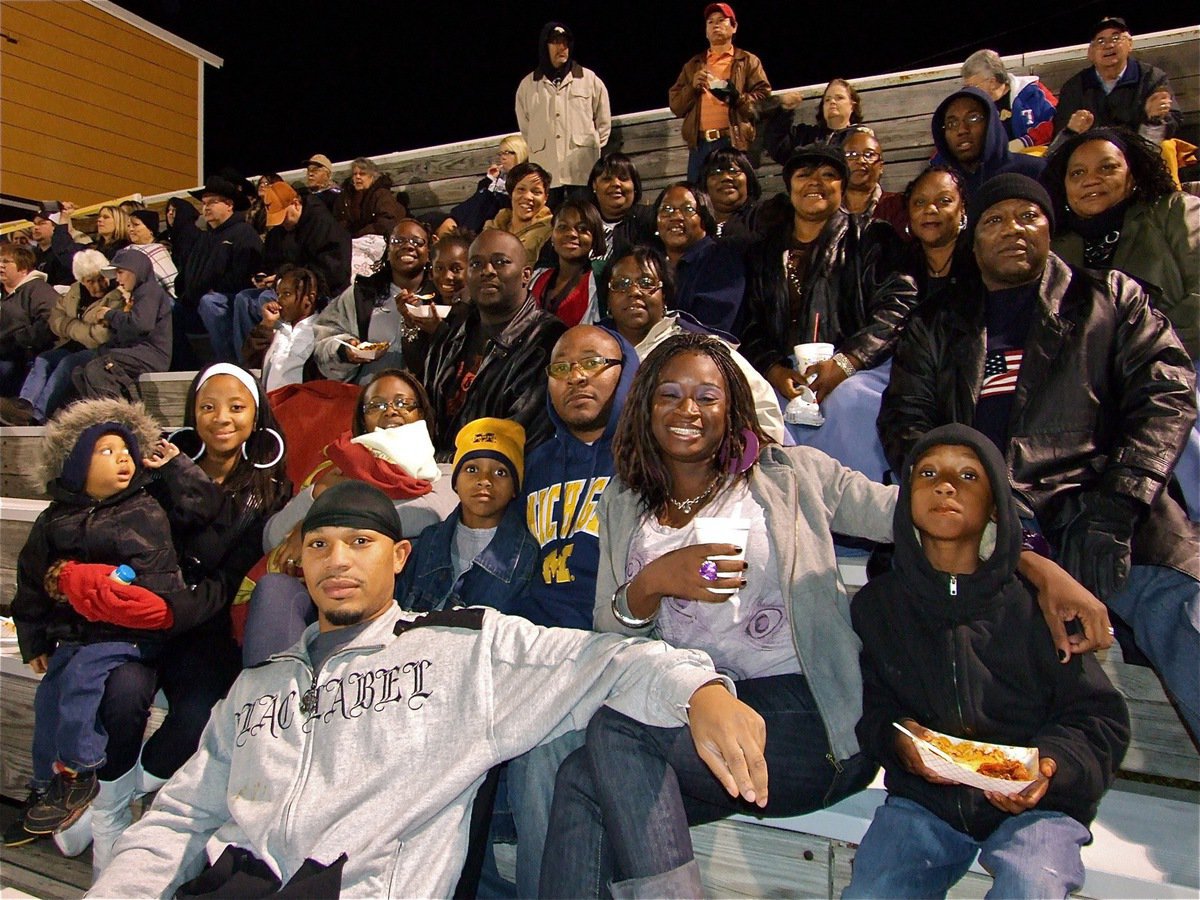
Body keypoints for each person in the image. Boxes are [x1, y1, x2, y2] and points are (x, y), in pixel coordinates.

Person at [541, 332, 1114, 897]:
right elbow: (612, 634)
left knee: (616, 735)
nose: (687, 408)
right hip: (693, 713)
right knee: (582, 781)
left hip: (807, 716)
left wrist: (1040, 568)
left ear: (731, 406)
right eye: (669, 394)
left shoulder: (792, 475)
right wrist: (652, 583)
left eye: (707, 396)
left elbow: (922, 508)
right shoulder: (622, 499)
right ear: (645, 405)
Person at [89, 479, 768, 899]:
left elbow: (603, 661)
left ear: (401, 556)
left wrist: (699, 690)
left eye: (360, 542)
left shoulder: (460, 651)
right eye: (321, 546)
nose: (338, 562)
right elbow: (180, 818)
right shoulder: (257, 686)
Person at [878, 173, 1200, 737]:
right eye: (995, 220)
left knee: (1180, 606)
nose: (1013, 230)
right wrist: (986, 513)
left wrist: (1118, 507)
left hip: (1103, 510)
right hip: (989, 516)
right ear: (973, 239)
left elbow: (1166, 394)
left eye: (1029, 216)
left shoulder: (1111, 299)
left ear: (1052, 228)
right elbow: (908, 423)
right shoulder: (937, 320)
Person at [845, 424, 1130, 899]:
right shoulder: (879, 608)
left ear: (996, 505)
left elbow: (1099, 718)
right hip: (926, 803)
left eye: (969, 477)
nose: (946, 486)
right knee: (873, 892)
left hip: (1038, 808)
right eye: (929, 473)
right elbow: (871, 709)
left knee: (1030, 884)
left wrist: (1051, 765)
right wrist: (902, 741)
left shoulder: (1034, 606)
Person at [89, 364, 292, 871]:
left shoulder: (270, 488)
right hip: (144, 615)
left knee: (201, 713)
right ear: (192, 412)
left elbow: (224, 555)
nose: (221, 418)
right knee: (123, 691)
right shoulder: (155, 470)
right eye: (207, 406)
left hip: (203, 619)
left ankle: (117, 794)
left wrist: (176, 611)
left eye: (236, 407)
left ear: (256, 416)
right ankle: (108, 819)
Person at [5, 400, 197, 846]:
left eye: (125, 451)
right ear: (74, 467)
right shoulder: (54, 520)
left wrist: (113, 592)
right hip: (74, 636)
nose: (122, 458)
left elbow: (158, 583)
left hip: (125, 637)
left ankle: (78, 769)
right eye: (106, 452)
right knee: (50, 694)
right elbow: (31, 582)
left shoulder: (143, 512)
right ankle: (44, 781)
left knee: (81, 682)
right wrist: (34, 639)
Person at [242, 368, 457, 666]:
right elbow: (272, 537)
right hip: (325, 599)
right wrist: (317, 493)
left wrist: (319, 524)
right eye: (377, 405)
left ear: (423, 415)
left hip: (403, 603)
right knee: (275, 590)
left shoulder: (444, 473)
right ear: (361, 421)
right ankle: (271, 703)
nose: (391, 410)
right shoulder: (336, 469)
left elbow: (429, 515)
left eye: (403, 403)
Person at [1043, 127, 1200, 520]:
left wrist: (1144, 351)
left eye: (1106, 168)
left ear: (1132, 174)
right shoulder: (1054, 249)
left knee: (1170, 413)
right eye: (1076, 173)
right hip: (1092, 383)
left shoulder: (1173, 211)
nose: (1090, 179)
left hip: (1184, 359)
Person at [740, 145, 917, 482]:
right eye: (804, 174)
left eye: (828, 175)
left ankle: (861, 524)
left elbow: (898, 304)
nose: (815, 183)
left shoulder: (872, 236)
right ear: (789, 185)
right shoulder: (765, 250)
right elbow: (751, 323)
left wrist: (847, 362)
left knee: (846, 402)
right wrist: (773, 369)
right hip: (786, 374)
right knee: (756, 406)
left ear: (843, 185)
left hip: (863, 367)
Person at [602, 246, 785, 442]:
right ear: (608, 300)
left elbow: (763, 412)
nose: (634, 292)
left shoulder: (704, 349)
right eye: (621, 284)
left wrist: (744, 464)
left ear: (664, 296)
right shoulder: (589, 350)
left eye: (647, 282)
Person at [425, 229, 567, 457]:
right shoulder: (452, 334)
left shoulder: (549, 340)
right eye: (476, 264)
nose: (487, 271)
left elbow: (521, 437)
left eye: (500, 262)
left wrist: (448, 463)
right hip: (436, 474)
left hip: (499, 477)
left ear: (526, 275)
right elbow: (428, 413)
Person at [396, 417, 539, 613]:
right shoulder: (427, 542)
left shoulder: (527, 557)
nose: (485, 480)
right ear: (455, 482)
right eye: (471, 469)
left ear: (515, 488)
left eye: (501, 472)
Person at [229, 180, 352, 357]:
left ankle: (282, 356)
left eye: (284, 216)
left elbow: (331, 271)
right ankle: (248, 359)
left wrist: (282, 277)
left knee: (266, 299)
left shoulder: (324, 225)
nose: (282, 223)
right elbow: (270, 261)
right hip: (281, 287)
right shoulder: (279, 231)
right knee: (243, 299)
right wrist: (263, 276)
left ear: (295, 203)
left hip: (318, 291)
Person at [1, 250, 120, 426]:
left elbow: (101, 335)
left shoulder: (115, 295)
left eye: (101, 279)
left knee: (67, 363)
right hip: (73, 345)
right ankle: (25, 405)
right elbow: (56, 319)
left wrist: (70, 325)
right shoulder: (74, 292)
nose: (98, 286)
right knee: (44, 359)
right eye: (90, 281)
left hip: (102, 350)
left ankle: (38, 415)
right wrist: (78, 326)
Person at [312, 218, 436, 381]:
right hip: (366, 395)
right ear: (388, 251)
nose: (408, 246)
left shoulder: (439, 298)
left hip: (419, 399)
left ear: (428, 253)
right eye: (398, 241)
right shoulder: (362, 294)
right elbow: (324, 338)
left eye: (418, 242)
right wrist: (345, 351)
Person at [669, 3, 771, 183]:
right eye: (710, 22)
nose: (715, 25)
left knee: (735, 196)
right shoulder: (693, 65)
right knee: (698, 198)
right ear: (706, 31)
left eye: (721, 21)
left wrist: (737, 98)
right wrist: (692, 88)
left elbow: (764, 98)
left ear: (734, 27)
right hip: (700, 146)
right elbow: (676, 105)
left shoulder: (747, 61)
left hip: (732, 142)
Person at [515, 22, 611, 204]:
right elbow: (526, 127)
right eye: (555, 42)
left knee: (585, 217)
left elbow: (603, 121)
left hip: (582, 170)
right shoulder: (528, 86)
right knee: (550, 221)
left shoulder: (588, 79)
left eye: (565, 43)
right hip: (546, 171)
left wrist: (594, 145)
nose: (562, 48)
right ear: (545, 46)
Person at [1052, 16, 1181, 147]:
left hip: (1139, 151)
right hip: (1093, 156)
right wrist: (1072, 131)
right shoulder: (1074, 87)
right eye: (1101, 41)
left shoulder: (1152, 78)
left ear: (1129, 44)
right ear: (1090, 53)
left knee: (1166, 148)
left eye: (1115, 38)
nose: (1109, 45)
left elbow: (1172, 123)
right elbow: (1060, 137)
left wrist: (1154, 119)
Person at [70, 247, 173, 403]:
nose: (117, 280)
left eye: (120, 273)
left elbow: (141, 325)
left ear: (135, 271)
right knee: (79, 371)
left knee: (98, 368)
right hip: (136, 352)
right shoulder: (139, 293)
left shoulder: (149, 292)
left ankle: (117, 414)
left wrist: (109, 314)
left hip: (151, 355)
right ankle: (97, 414)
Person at [184, 176, 263, 366]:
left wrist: (212, 289)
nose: (206, 208)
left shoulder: (243, 233)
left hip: (231, 300)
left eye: (213, 202)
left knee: (211, 303)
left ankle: (230, 364)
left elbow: (244, 274)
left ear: (229, 205)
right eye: (203, 203)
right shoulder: (204, 238)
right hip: (198, 298)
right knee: (172, 308)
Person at [654, 182, 746, 335]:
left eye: (688, 209)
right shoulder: (652, 264)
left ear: (705, 217)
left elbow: (710, 329)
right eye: (667, 209)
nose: (676, 216)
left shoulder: (721, 259)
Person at [930, 87, 1045, 196]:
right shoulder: (940, 186)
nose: (961, 130)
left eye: (973, 118)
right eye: (952, 124)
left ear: (991, 122)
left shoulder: (1034, 171)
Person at [900, 165, 976, 305]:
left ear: (962, 208)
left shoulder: (981, 259)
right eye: (920, 202)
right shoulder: (897, 265)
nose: (930, 209)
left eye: (944, 201)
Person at [240, 266, 322, 391]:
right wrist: (266, 324)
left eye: (287, 294)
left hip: (302, 404)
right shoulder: (276, 329)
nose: (280, 300)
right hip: (272, 404)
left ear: (309, 298)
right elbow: (249, 359)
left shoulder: (322, 331)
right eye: (278, 294)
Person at [961, 49, 1058, 150]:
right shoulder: (974, 107)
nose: (970, 92)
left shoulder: (1033, 92)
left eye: (973, 87)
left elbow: (1057, 122)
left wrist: (1025, 142)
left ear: (992, 83)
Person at [530, 198, 606, 326]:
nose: (571, 234)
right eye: (562, 227)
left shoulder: (600, 280)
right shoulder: (537, 277)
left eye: (582, 229)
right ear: (552, 236)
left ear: (594, 237)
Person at [438, 135, 529, 237]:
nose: (502, 157)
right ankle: (456, 222)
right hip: (475, 217)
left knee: (485, 197)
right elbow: (476, 201)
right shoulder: (499, 177)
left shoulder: (524, 178)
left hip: (491, 222)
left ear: (519, 153)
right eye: (501, 153)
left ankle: (459, 227)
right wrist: (490, 179)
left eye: (507, 153)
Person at [0, 243, 59, 396]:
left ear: (23, 268)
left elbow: (48, 321)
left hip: (20, 357)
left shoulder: (37, 289)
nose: (1, 265)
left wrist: (15, 342)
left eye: (6, 262)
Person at [764, 77, 863, 165]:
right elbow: (778, 148)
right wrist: (785, 110)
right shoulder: (805, 136)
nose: (832, 102)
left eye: (839, 98)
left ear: (852, 106)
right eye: (827, 100)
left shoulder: (860, 137)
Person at [584, 152, 655, 262]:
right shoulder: (581, 220)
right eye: (607, 179)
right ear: (594, 185)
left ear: (635, 185)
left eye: (623, 178)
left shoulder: (649, 219)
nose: (616, 183)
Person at [484, 161, 555, 265]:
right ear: (511, 193)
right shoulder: (494, 227)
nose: (527, 197)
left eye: (536, 192)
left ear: (545, 198)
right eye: (521, 190)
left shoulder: (550, 231)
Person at [841, 127, 906, 233]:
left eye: (869, 155)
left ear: (881, 167)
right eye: (852, 155)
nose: (861, 160)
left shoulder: (899, 206)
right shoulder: (827, 208)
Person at [333, 157, 406, 238]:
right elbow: (339, 221)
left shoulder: (381, 194)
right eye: (355, 174)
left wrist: (360, 234)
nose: (358, 177)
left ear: (372, 177)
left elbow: (386, 222)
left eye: (362, 174)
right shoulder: (346, 197)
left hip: (377, 238)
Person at [701, 146, 763, 242]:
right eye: (717, 172)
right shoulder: (697, 223)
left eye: (733, 171)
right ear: (704, 182)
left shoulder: (763, 216)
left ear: (748, 177)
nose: (726, 177)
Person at [30, 203, 85, 287]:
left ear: (55, 227)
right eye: (35, 224)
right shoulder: (33, 255)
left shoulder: (65, 251)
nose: (36, 227)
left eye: (42, 223)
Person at [125, 210, 177, 299]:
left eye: (136, 225)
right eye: (129, 226)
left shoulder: (161, 249)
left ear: (150, 229)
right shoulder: (127, 252)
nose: (131, 229)